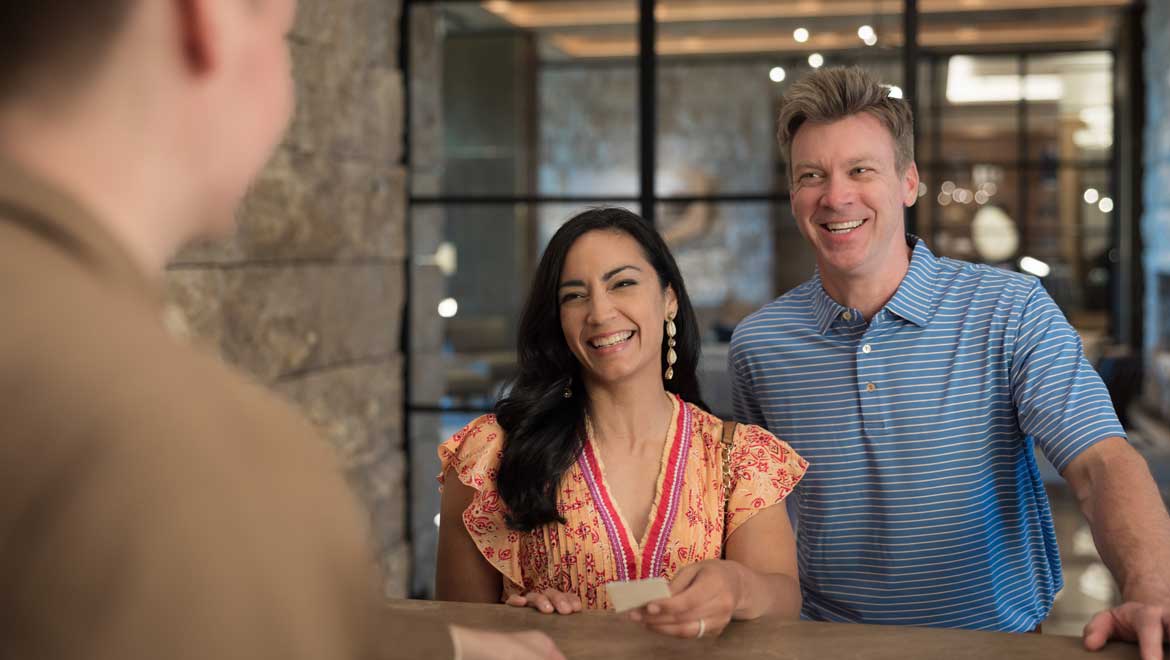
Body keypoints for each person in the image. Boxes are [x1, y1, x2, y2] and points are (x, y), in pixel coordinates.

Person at [0, 2, 560, 659]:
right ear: (205, 20)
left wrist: (451, 648)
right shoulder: (185, 456)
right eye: (284, 37)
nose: (289, 91)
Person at [730, 65, 1170, 658]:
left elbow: (1101, 463)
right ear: (793, 196)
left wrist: (1152, 588)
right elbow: (754, 521)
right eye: (813, 175)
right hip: (826, 644)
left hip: (996, 645)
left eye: (862, 169)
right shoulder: (760, 346)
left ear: (908, 181)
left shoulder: (1011, 311)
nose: (836, 196)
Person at [435, 207, 808, 639]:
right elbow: (454, 633)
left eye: (623, 283)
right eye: (574, 295)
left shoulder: (739, 456)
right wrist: (516, 620)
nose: (599, 312)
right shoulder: (491, 453)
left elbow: (782, 602)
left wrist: (737, 586)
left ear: (668, 297)